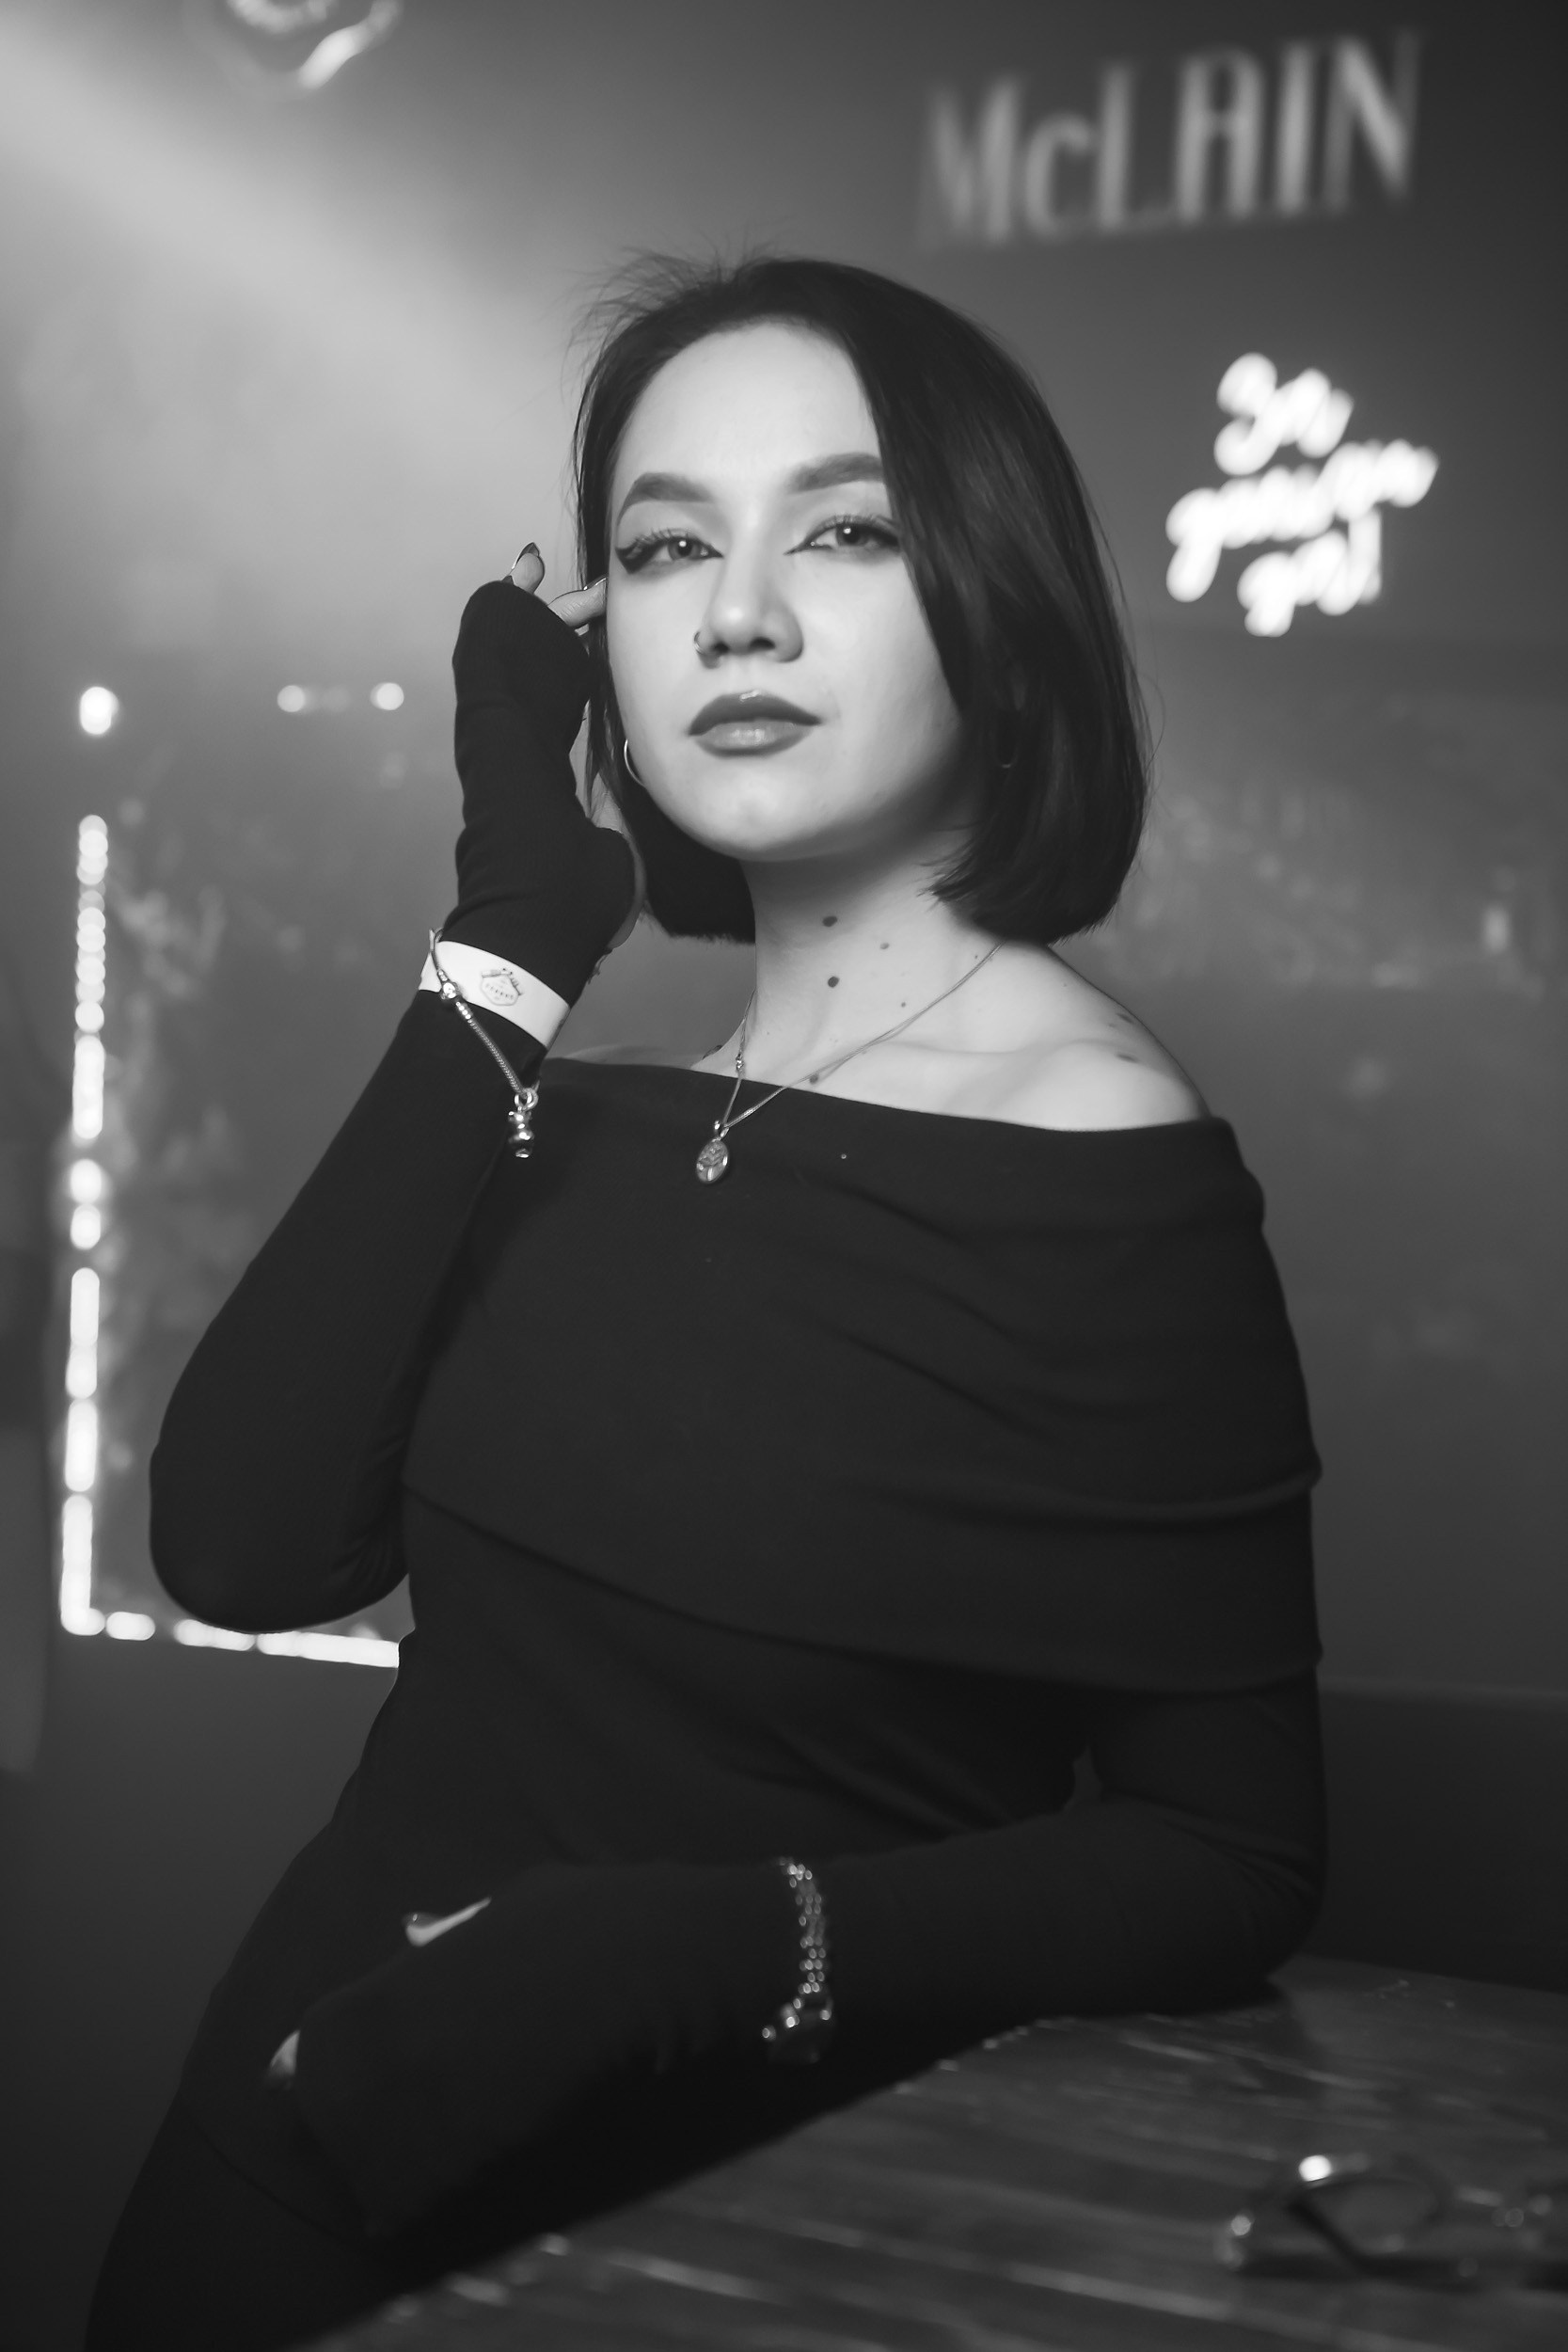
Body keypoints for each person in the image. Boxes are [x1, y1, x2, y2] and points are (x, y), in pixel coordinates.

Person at [87, 256, 1323, 2349]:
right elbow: (240, 1544)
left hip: (709, 2250)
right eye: (666, 548)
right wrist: (515, 933)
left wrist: (675, 1956)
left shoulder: (1102, 1164)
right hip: (270, 2185)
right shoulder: (584, 1106)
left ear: (998, 601)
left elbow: (1229, 1852)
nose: (737, 613)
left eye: (842, 532)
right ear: (604, 644)